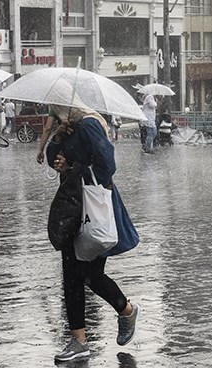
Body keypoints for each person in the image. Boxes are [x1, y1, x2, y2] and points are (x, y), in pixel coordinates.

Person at [46, 103, 141, 362]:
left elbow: (106, 166)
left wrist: (73, 166)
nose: (50, 111)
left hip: (94, 205)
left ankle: (126, 309)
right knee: (70, 275)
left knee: (89, 274)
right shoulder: (67, 126)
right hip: (72, 206)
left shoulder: (89, 124)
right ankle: (79, 341)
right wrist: (57, 137)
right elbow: (52, 158)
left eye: (53, 106)